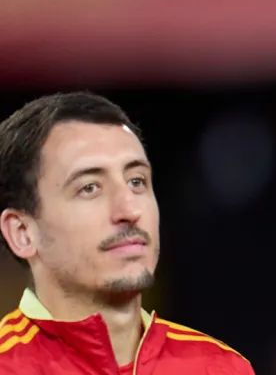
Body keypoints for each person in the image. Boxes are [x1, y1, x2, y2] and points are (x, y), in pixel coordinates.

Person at [0, 92, 253, 374]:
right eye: (89, 187)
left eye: (136, 181)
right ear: (23, 233)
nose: (130, 209)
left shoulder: (221, 367)